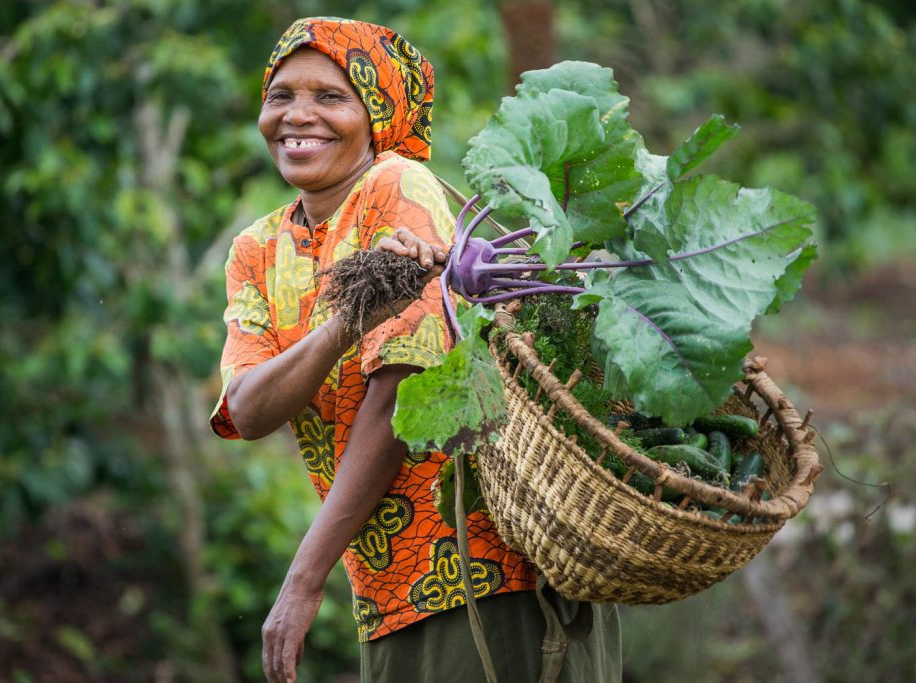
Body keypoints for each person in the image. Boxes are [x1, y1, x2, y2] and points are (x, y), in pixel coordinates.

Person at [210, 17, 621, 683]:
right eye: (281, 94)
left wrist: (302, 578)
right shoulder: (257, 248)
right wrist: (344, 326)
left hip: (488, 574)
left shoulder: (396, 187)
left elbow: (400, 394)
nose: (298, 115)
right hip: (387, 593)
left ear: (378, 113)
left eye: (330, 97)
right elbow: (248, 408)